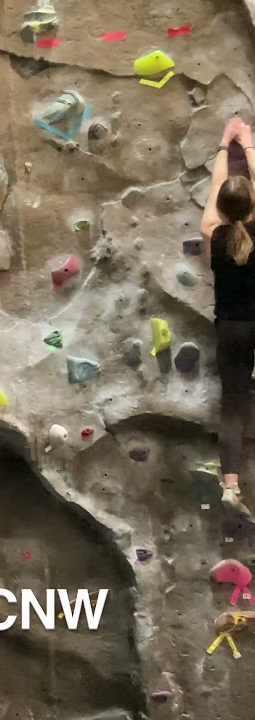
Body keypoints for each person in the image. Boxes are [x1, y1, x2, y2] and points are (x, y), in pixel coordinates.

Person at [201, 116, 255, 517]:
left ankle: (231, 485)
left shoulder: (214, 233)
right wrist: (247, 144)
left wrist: (224, 145)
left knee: (233, 404)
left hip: (233, 328)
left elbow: (216, 194)